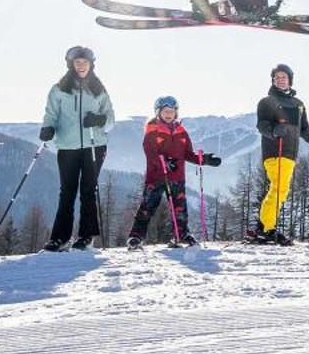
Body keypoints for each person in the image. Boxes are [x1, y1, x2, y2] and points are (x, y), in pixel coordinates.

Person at [38, 45, 116, 250]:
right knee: (67, 192)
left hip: (94, 145)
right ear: (71, 65)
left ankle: (86, 236)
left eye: (85, 62)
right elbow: (51, 115)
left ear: (91, 65)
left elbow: (110, 120)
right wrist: (48, 129)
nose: (81, 66)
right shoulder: (59, 89)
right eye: (77, 62)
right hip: (67, 146)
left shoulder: (99, 89)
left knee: (88, 190)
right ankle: (60, 238)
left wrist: (99, 120)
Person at [250, 62, 309, 246]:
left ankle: (263, 227)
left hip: (289, 155)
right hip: (274, 151)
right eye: (277, 77)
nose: (280, 80)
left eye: (284, 77)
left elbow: (305, 131)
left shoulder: (298, 105)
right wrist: (274, 131)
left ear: (290, 80)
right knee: (279, 188)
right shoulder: (267, 102)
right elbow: (262, 126)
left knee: (280, 190)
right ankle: (266, 229)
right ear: (273, 80)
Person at [126, 96, 221, 248]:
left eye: (172, 111)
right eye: (165, 111)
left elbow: (187, 154)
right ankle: (136, 236)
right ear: (158, 112)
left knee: (180, 208)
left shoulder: (181, 131)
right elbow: (150, 152)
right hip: (156, 177)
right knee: (147, 207)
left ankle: (181, 234)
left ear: (176, 113)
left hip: (177, 177)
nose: (169, 114)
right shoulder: (152, 129)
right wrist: (164, 161)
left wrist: (203, 160)